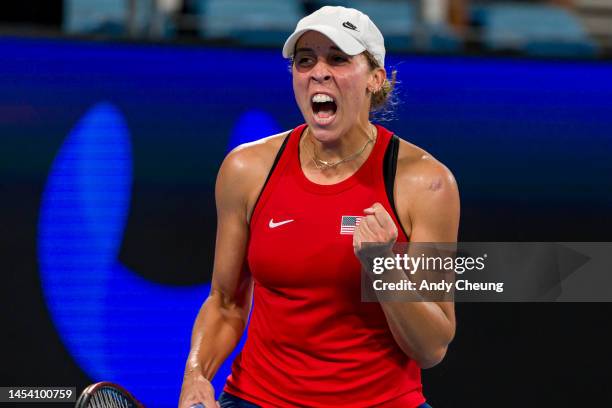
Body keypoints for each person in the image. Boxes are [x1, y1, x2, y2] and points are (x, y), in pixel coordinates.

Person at [179, 6, 459, 408]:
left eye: (339, 59)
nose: (318, 72)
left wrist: (383, 268)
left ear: (375, 79)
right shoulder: (246, 169)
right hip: (257, 399)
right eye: (305, 60)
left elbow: (432, 347)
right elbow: (225, 303)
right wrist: (195, 376)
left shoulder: (426, 184)